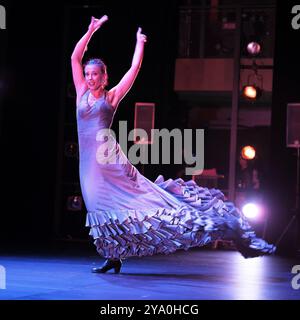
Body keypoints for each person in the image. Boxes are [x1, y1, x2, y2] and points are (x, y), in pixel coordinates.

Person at [71, 15, 276, 274]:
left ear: (104, 76)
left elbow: (133, 69)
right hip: (88, 163)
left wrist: (139, 43)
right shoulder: (81, 92)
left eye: (95, 74)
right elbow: (74, 59)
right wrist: (90, 30)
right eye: (88, 74)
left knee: (140, 201)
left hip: (108, 160)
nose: (89, 78)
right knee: (99, 208)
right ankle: (113, 255)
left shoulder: (111, 96)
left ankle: (218, 224)